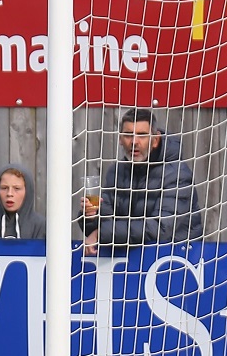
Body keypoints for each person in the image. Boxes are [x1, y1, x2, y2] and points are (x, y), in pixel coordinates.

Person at [80, 107, 202, 255]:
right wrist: (91, 216)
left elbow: (160, 229)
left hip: (175, 262)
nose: (134, 142)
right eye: (128, 135)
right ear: (120, 139)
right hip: (128, 264)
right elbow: (106, 223)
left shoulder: (178, 174)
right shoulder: (116, 171)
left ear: (155, 140)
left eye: (142, 135)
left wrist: (101, 234)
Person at [0, 165, 46, 239]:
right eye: (4, 188)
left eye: (16, 188)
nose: (9, 194)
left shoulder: (42, 227)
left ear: (27, 191)